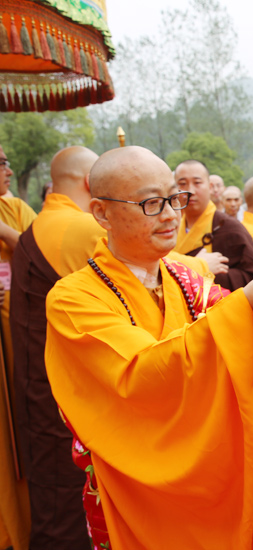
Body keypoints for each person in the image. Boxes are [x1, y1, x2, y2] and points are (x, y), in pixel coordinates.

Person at [43, 146, 253, 549]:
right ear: (101, 213)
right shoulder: (73, 299)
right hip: (135, 488)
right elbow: (141, 375)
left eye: (173, 198)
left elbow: (240, 326)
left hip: (210, 479)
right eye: (151, 202)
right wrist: (248, 306)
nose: (170, 214)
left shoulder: (182, 277)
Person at [9, 146, 100, 549]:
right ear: (89, 182)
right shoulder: (80, 228)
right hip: (59, 386)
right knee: (67, 493)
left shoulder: (41, 222)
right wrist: (204, 265)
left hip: (36, 384)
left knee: (53, 489)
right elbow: (149, 268)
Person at [0, 143, 36, 550]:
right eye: (2, 163)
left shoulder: (16, 210)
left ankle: (21, 526)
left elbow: (31, 252)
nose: (9, 171)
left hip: (16, 336)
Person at [174, 160, 253, 290]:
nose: (190, 191)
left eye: (197, 183)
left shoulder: (229, 227)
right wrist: (198, 267)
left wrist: (211, 276)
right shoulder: (170, 228)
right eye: (182, 184)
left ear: (210, 187)